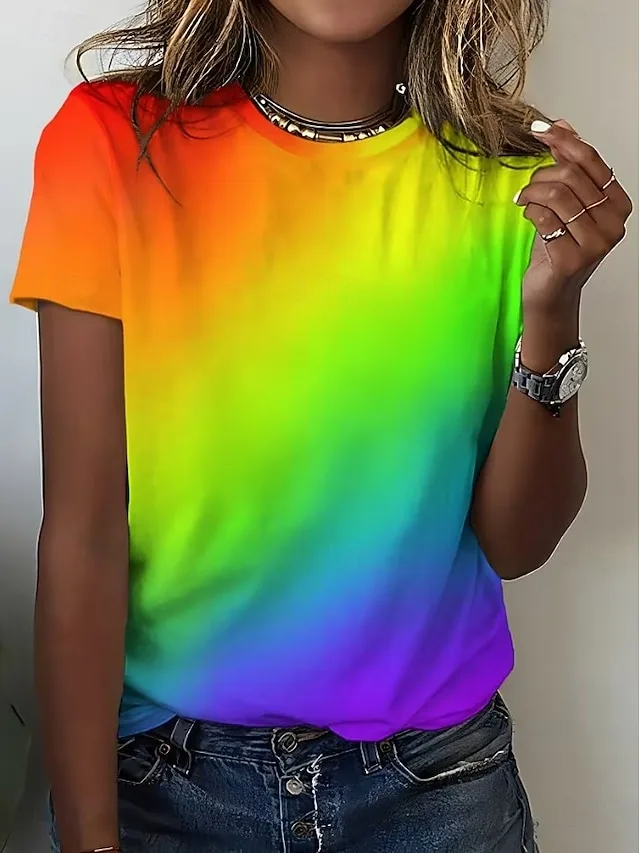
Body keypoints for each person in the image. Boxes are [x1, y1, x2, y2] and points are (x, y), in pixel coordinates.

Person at [9, 0, 631, 851]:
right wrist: (89, 838)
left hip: (437, 788)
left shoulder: (515, 181)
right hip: (168, 787)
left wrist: (554, 309)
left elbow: (517, 542)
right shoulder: (116, 141)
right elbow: (81, 536)